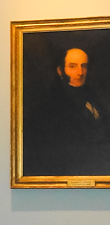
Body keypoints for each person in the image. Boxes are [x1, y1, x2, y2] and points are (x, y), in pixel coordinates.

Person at [25, 47, 110, 175]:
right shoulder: (50, 106)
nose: (80, 72)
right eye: (72, 66)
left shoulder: (91, 96)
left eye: (84, 66)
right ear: (60, 71)